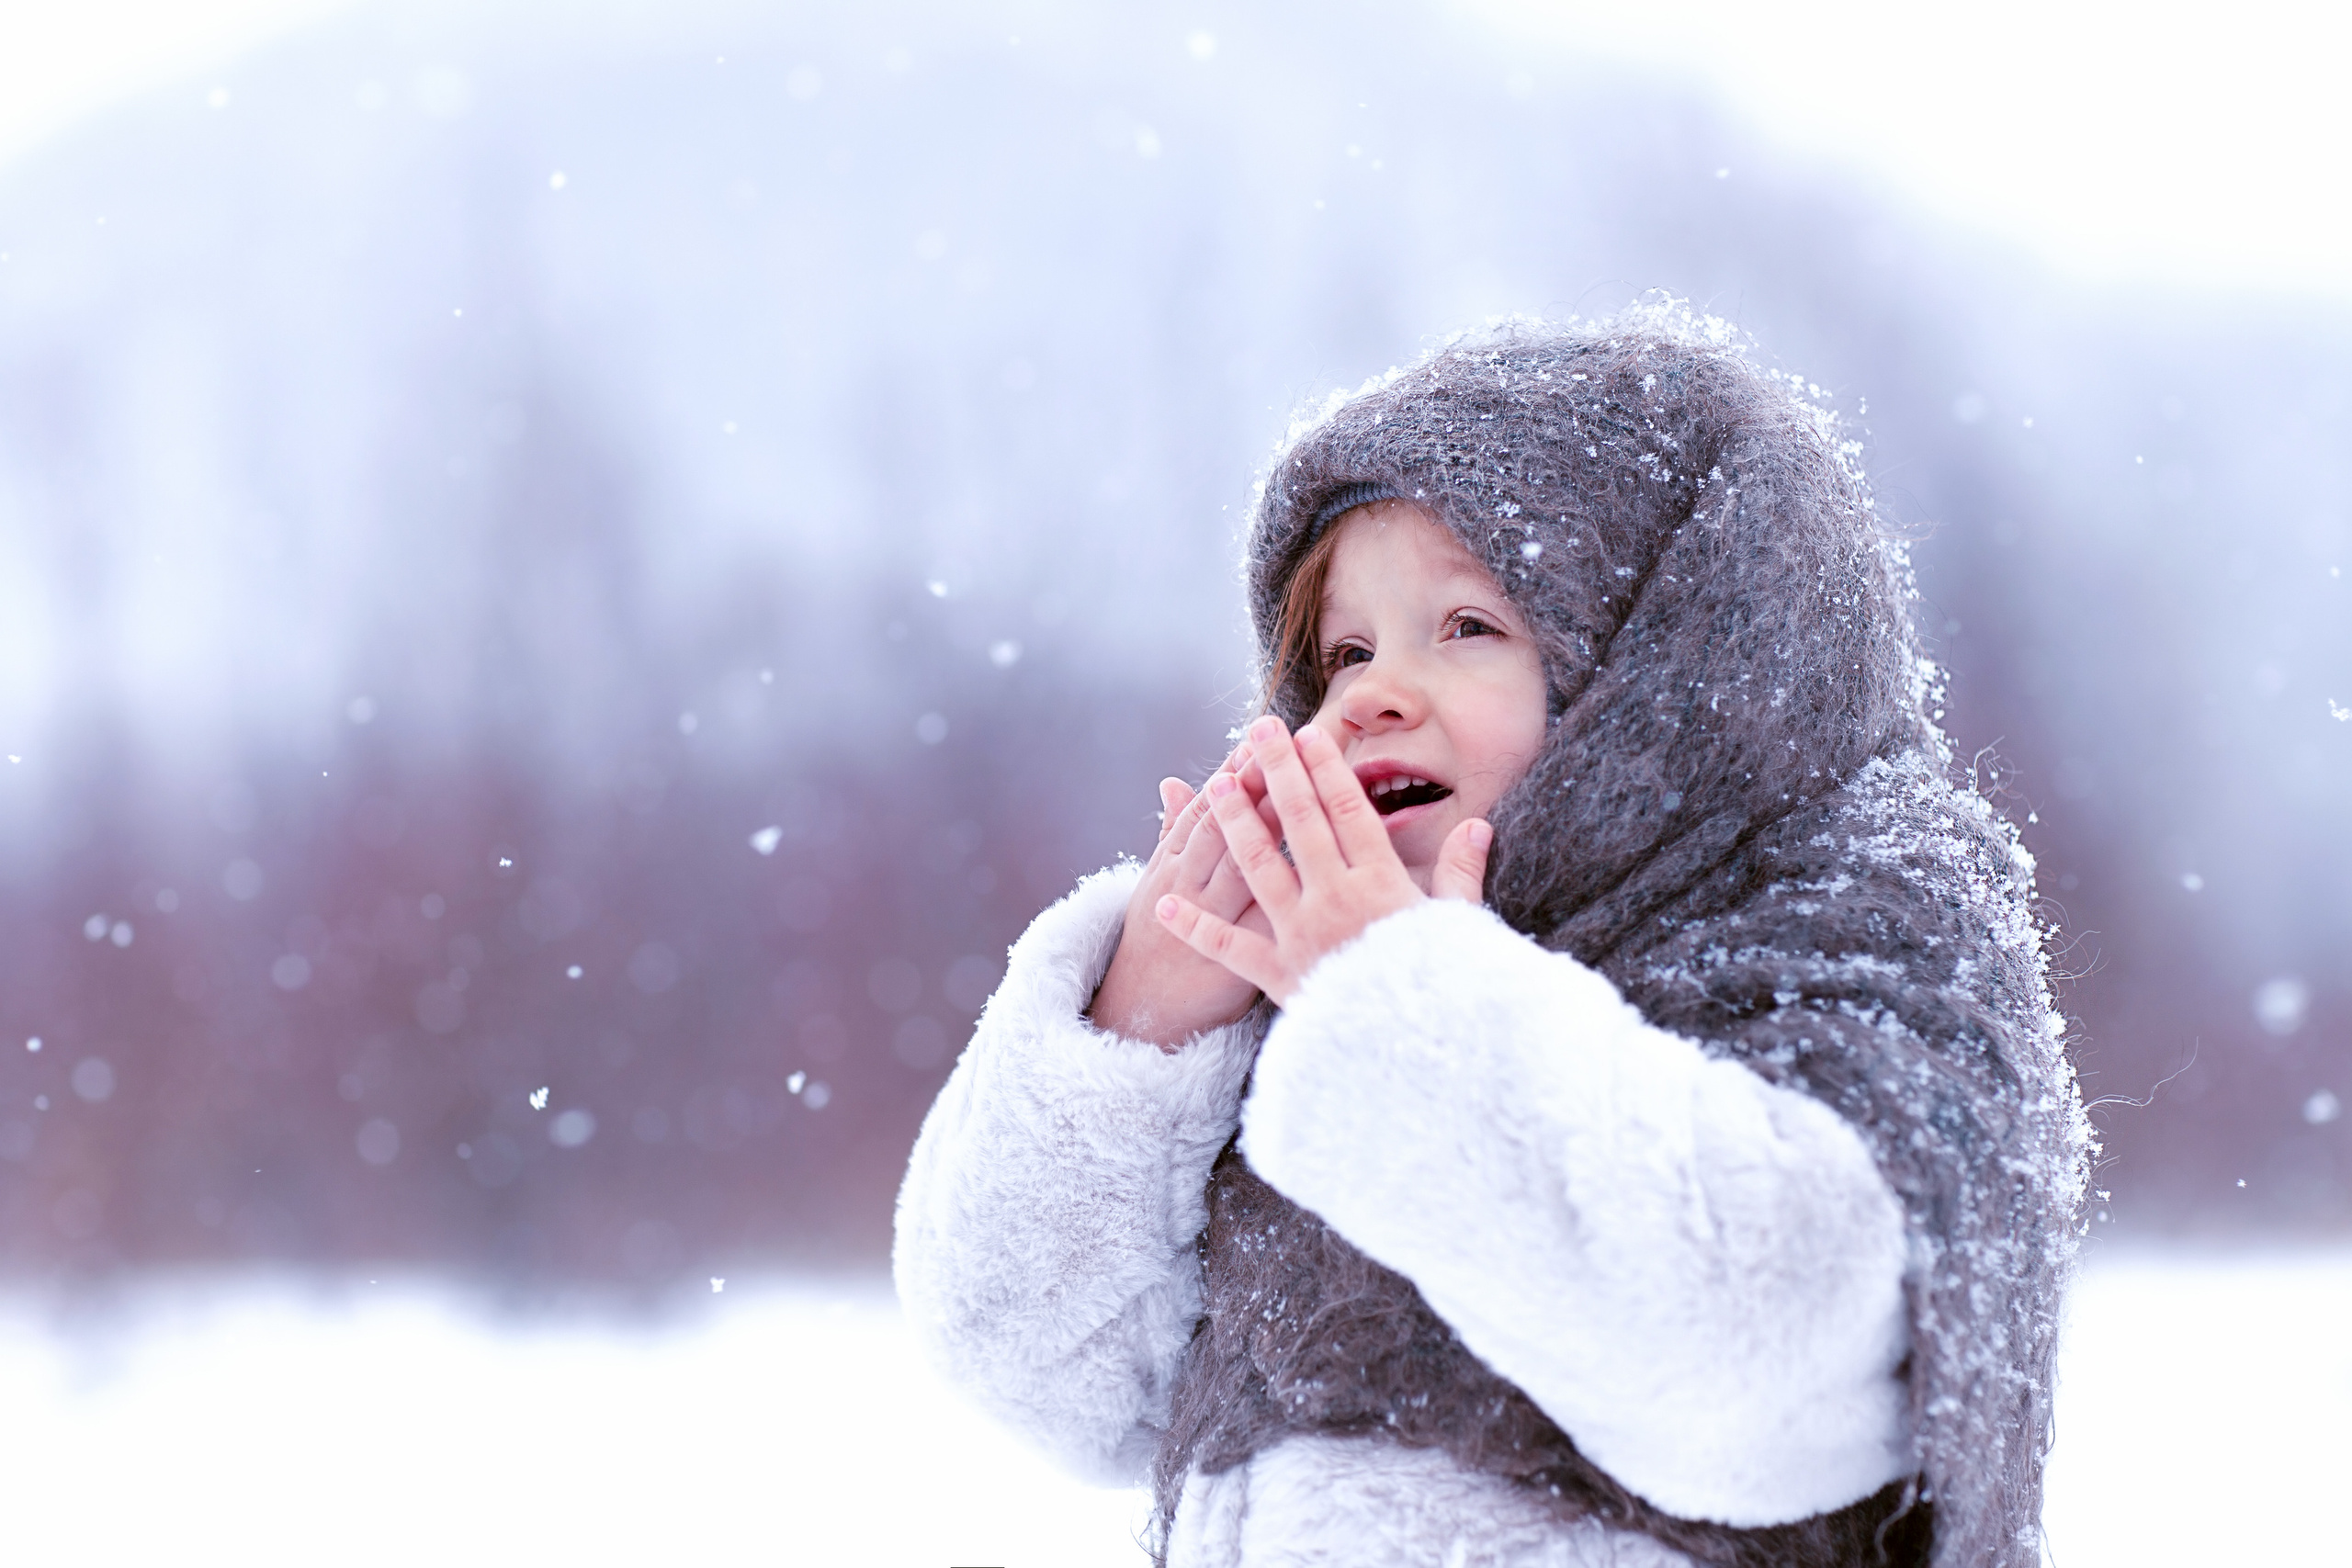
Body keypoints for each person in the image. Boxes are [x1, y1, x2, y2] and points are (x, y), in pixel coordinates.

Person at [893, 309, 2090, 1568]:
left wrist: (1406, 1014)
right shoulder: (1312, 1004)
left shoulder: (1858, 909)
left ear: (1673, 670)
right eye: (1344, 649)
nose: (1372, 693)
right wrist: (1137, 1031)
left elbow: (1766, 1362)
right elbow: (1043, 1379)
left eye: (1467, 626)